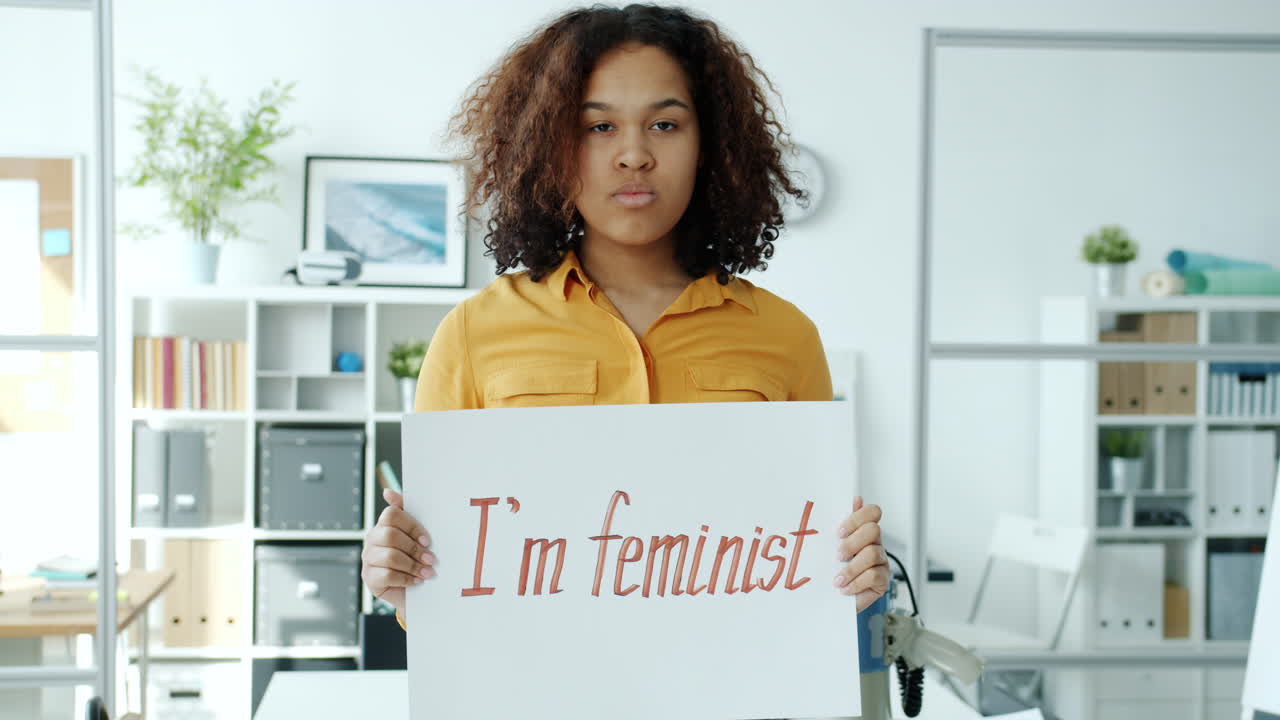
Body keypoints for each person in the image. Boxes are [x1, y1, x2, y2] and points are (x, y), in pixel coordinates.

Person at [360, 3, 889, 630]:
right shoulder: (473, 334)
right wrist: (398, 578)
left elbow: (809, 565)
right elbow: (442, 590)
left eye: (665, 125)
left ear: (710, 146)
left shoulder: (786, 337)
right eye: (598, 128)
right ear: (549, 147)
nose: (634, 155)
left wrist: (852, 577)